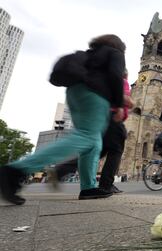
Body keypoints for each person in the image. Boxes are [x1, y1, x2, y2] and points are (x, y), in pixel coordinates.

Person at [0, 34, 126, 205]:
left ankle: (88, 188)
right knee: (87, 137)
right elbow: (115, 75)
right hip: (95, 95)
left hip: (75, 93)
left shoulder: (90, 55)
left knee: (94, 143)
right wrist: (118, 103)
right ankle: (15, 170)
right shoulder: (114, 53)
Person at [51, 69, 133, 194]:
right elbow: (124, 99)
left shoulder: (106, 82)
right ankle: (106, 184)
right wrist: (129, 104)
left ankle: (61, 170)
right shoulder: (122, 81)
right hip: (114, 117)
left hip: (100, 118)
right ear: (125, 74)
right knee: (116, 150)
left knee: (97, 151)